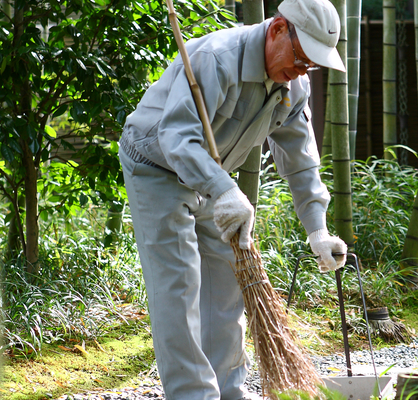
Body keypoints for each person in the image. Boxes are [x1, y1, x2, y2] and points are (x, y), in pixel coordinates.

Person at [118, 0, 348, 398]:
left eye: (311, 65)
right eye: (300, 58)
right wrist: (224, 189)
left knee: (226, 287)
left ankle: (229, 392)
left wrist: (318, 228)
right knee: (179, 287)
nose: (301, 71)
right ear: (278, 29)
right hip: (157, 165)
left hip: (214, 174)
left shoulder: (293, 84)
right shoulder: (217, 59)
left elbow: (300, 159)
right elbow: (177, 138)